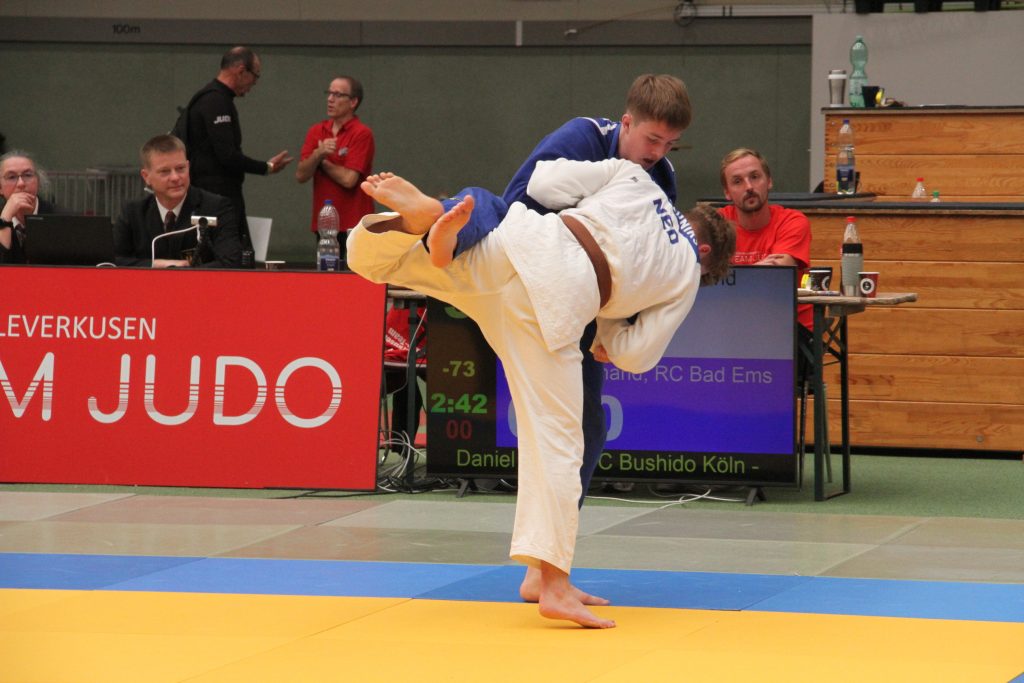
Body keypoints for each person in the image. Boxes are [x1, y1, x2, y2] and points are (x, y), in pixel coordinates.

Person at [347, 159, 735, 628]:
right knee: (559, 442)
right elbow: (638, 355)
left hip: (517, 243)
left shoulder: (635, 179)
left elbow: (544, 181)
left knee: (381, 263)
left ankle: (413, 223)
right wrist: (611, 335)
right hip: (557, 299)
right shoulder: (687, 270)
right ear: (705, 250)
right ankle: (551, 584)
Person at [429, 73, 693, 601]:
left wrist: (614, 331)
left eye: (670, 144)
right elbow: (519, 200)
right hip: (523, 263)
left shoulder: (660, 178)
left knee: (587, 426)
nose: (658, 153)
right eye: (651, 139)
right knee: (481, 207)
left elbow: (640, 267)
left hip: (580, 305)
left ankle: (544, 566)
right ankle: (434, 227)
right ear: (626, 123)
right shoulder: (582, 138)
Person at [180, 46, 293, 244]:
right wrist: (266, 167)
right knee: (232, 253)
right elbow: (227, 156)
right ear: (241, 71)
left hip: (209, 195)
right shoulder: (216, 101)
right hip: (217, 197)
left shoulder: (209, 97)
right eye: (255, 76)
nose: (254, 84)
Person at [717, 148, 812, 344]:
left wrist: (731, 278)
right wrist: (757, 270)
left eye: (755, 177)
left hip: (790, 328)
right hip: (733, 324)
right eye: (737, 181)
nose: (749, 187)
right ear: (727, 192)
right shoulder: (717, 223)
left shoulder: (792, 221)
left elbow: (774, 277)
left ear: (769, 181)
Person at [113, 135, 242, 268]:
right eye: (165, 171)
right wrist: (156, 264)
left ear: (188, 167)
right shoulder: (133, 212)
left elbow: (231, 262)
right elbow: (111, 261)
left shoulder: (217, 207)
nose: (175, 177)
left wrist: (182, 273)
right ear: (146, 177)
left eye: (180, 169)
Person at [296, 76, 375, 253]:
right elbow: (301, 175)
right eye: (329, 93)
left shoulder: (362, 133)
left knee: (354, 270)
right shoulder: (316, 131)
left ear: (353, 102)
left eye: (338, 95)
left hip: (354, 224)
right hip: (325, 225)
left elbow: (349, 179)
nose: (330, 99)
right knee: (325, 270)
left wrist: (322, 161)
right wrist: (318, 153)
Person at [0, 151, 59, 264]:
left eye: (28, 175)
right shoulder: (3, 216)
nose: (21, 183)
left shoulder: (61, 218)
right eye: (11, 177)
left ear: (38, 181)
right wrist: (5, 218)